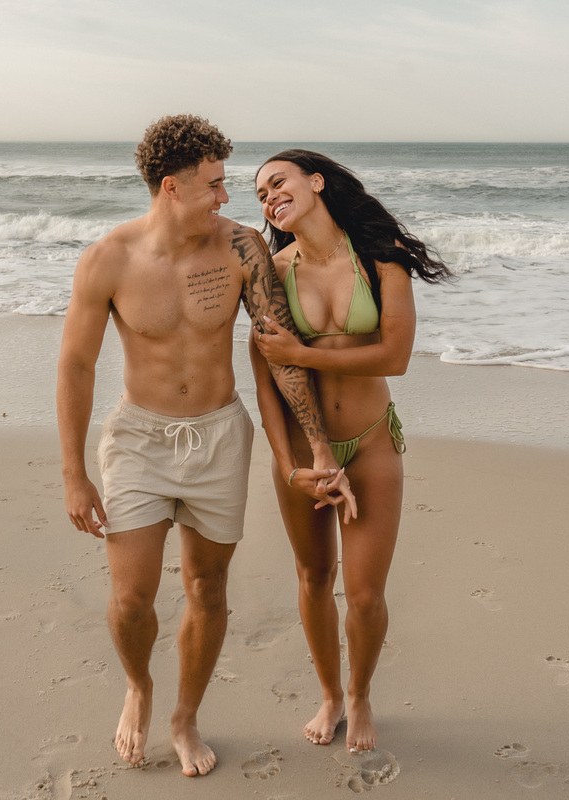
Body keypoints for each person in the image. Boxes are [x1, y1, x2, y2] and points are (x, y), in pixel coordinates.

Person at [57, 118, 355, 777]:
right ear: (172, 187)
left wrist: (316, 447)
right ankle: (139, 686)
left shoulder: (242, 249)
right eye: (215, 184)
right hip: (139, 439)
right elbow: (76, 367)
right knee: (131, 598)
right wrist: (74, 473)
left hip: (220, 437)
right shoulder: (110, 258)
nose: (228, 196)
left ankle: (185, 717)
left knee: (207, 586)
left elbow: (278, 351)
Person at [251, 149, 453, 753]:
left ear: (316, 182)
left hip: (370, 443)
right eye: (259, 193)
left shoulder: (380, 258)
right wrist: (292, 466)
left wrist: (306, 354)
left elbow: (395, 356)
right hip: (302, 448)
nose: (267, 197)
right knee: (314, 576)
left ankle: (361, 695)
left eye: (276, 182)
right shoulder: (273, 268)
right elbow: (264, 376)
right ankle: (330, 695)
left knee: (364, 594)